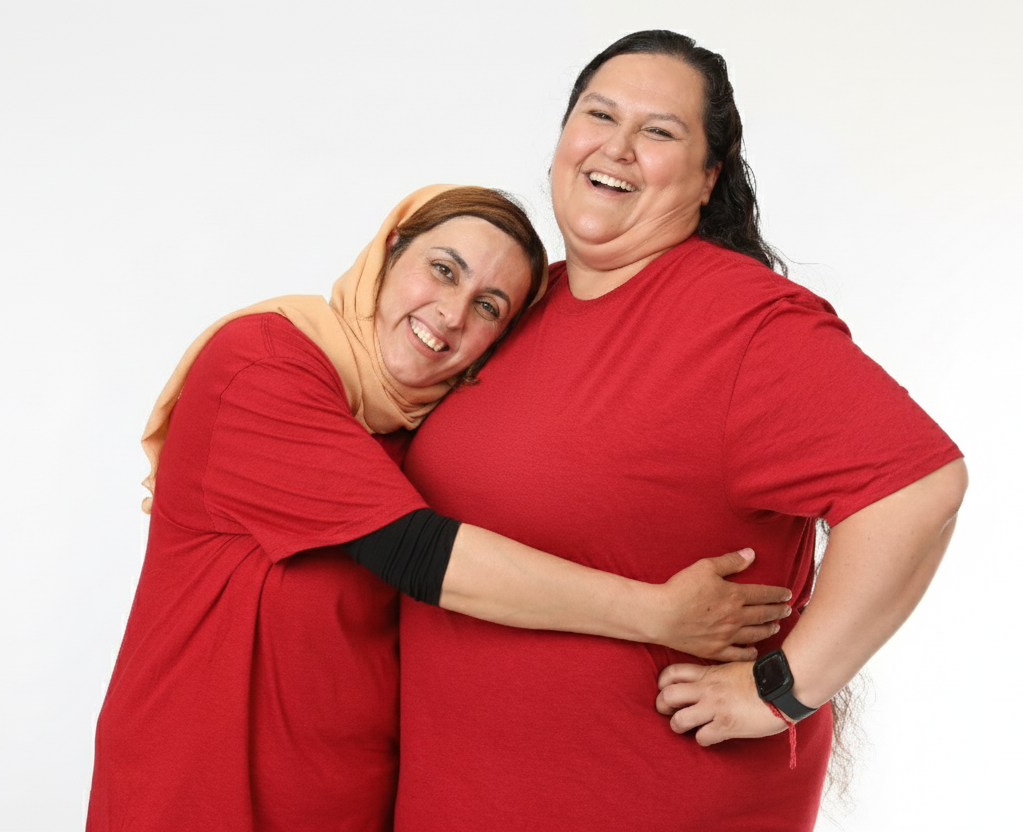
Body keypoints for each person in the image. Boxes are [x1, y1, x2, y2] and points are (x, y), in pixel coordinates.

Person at [86, 185, 793, 832]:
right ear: (390, 253)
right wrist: (656, 614)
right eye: (444, 270)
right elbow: (420, 554)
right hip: (199, 788)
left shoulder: (423, 432)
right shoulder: (262, 365)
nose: (451, 315)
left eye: (490, 306)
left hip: (345, 797)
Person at [395, 33, 968, 831]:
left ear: (709, 179)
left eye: (659, 132)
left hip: (651, 800)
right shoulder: (520, 305)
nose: (618, 148)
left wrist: (786, 686)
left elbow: (918, 487)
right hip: (458, 798)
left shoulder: (739, 323)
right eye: (599, 115)